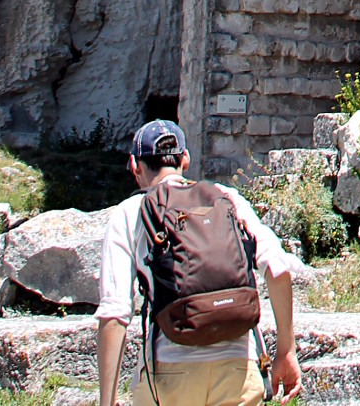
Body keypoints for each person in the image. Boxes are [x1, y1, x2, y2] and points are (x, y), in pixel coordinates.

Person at [97, 118, 302, 406]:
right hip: (238, 371)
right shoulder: (226, 198)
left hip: (169, 373)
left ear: (134, 166)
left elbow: (114, 315)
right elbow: (278, 269)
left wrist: (106, 402)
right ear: (185, 159)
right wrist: (286, 350)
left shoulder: (130, 213)